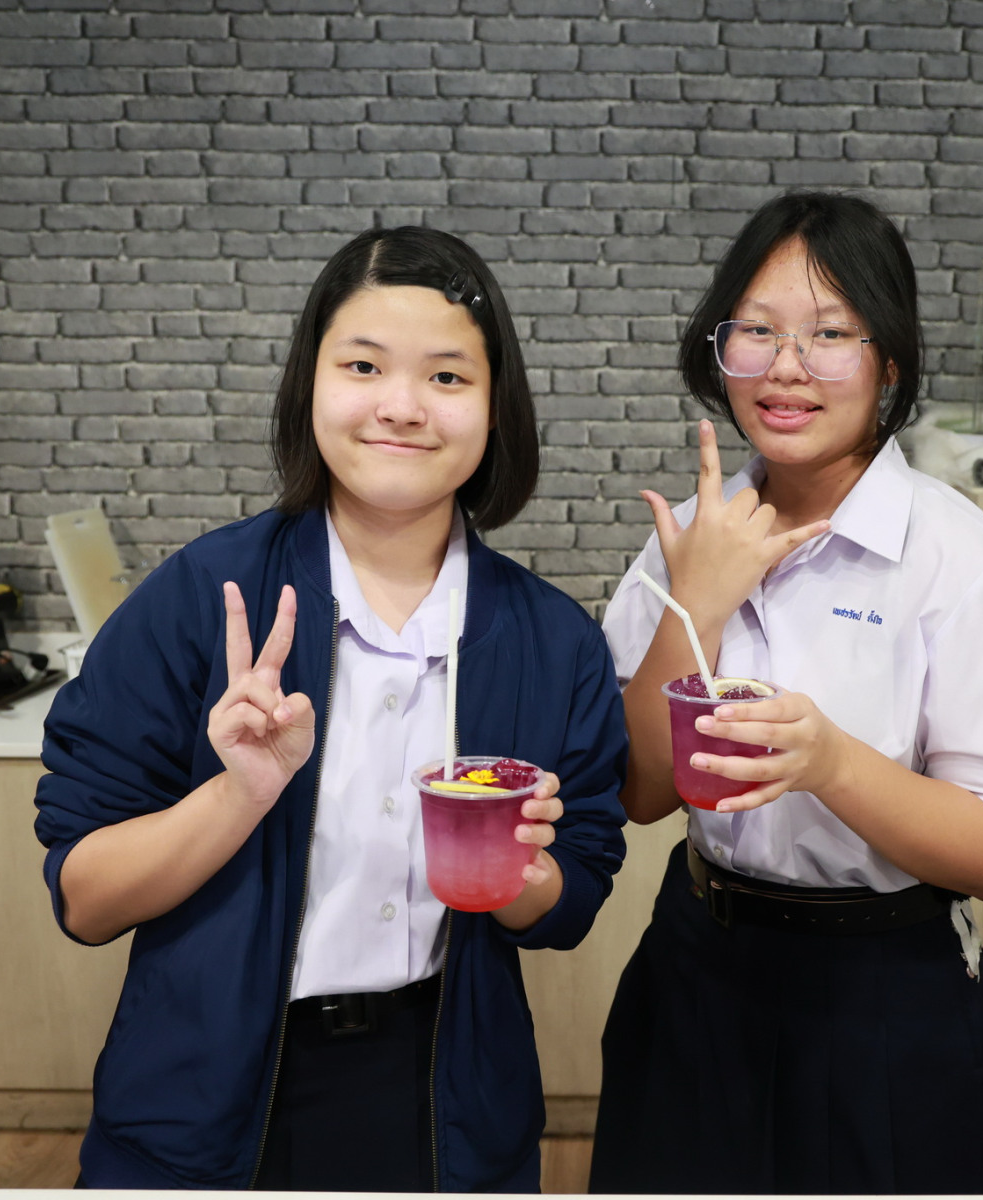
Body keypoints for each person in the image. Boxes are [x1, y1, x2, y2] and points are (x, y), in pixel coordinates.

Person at [34, 227, 628, 1192]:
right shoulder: (205, 598)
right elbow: (85, 900)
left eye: (447, 376)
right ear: (310, 382)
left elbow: (575, 898)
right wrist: (239, 793)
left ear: (495, 408)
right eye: (363, 366)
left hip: (447, 1107)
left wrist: (519, 872)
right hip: (204, 1106)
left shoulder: (553, 642)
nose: (402, 406)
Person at [588, 192, 983, 1195]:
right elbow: (640, 793)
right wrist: (697, 602)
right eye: (756, 330)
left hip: (883, 991)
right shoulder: (687, 540)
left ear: (890, 363)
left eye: (831, 334)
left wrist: (833, 763)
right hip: (697, 959)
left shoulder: (965, 563)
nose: (786, 366)